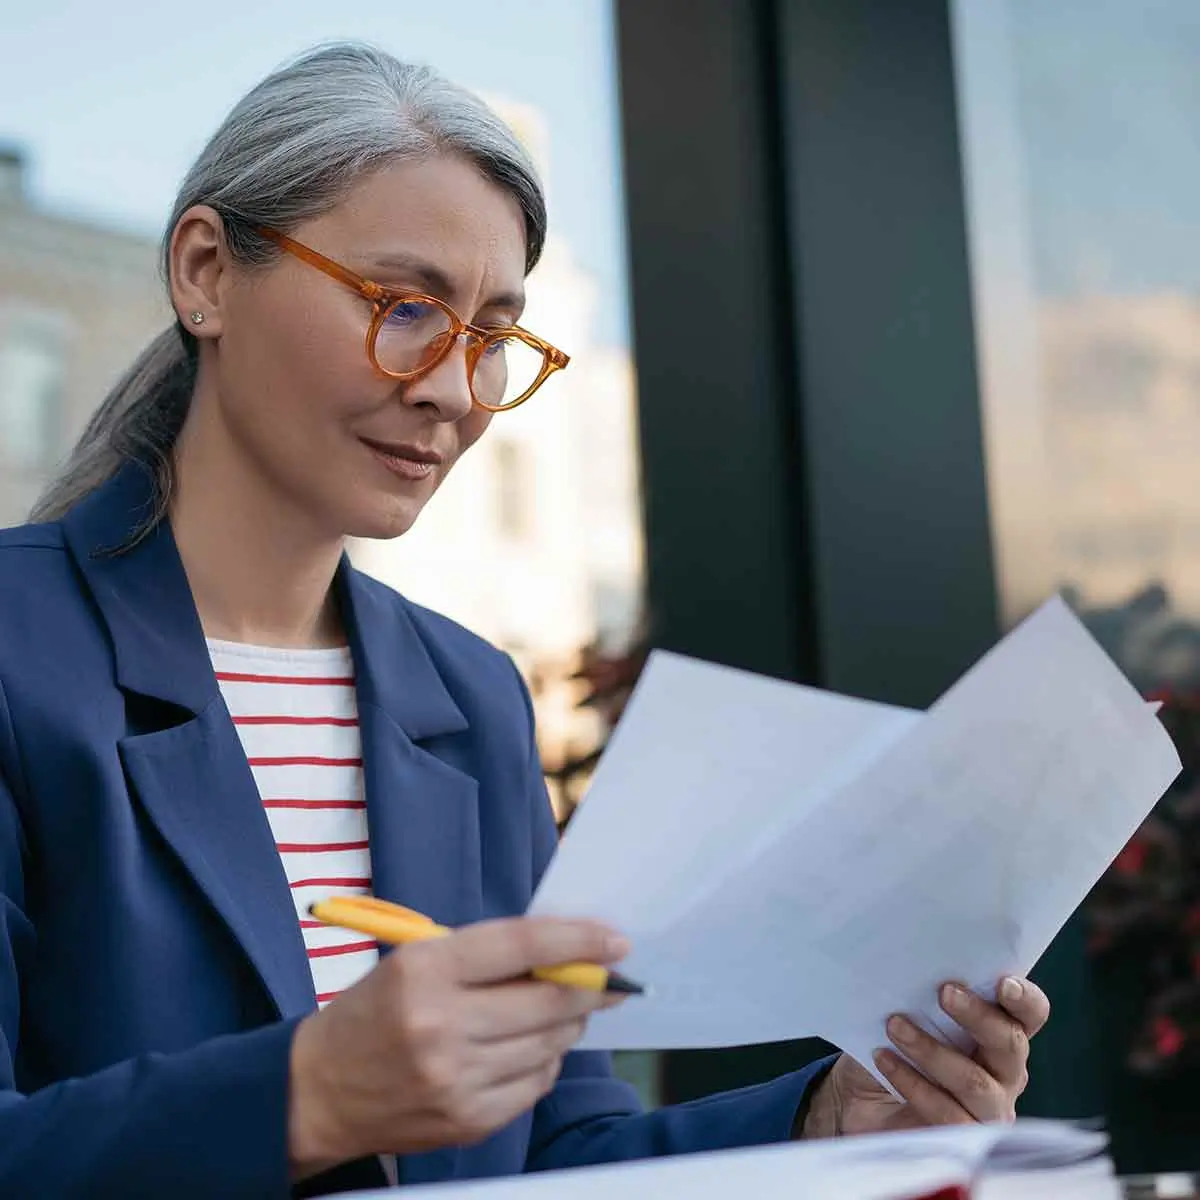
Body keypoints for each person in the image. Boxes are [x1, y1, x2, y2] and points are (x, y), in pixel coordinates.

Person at [0, 43, 1049, 1198]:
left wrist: (827, 1122)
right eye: (404, 308)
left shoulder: (468, 696)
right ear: (204, 271)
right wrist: (311, 1097)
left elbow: (554, 1149)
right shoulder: (23, 650)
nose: (453, 389)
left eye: (493, 338)